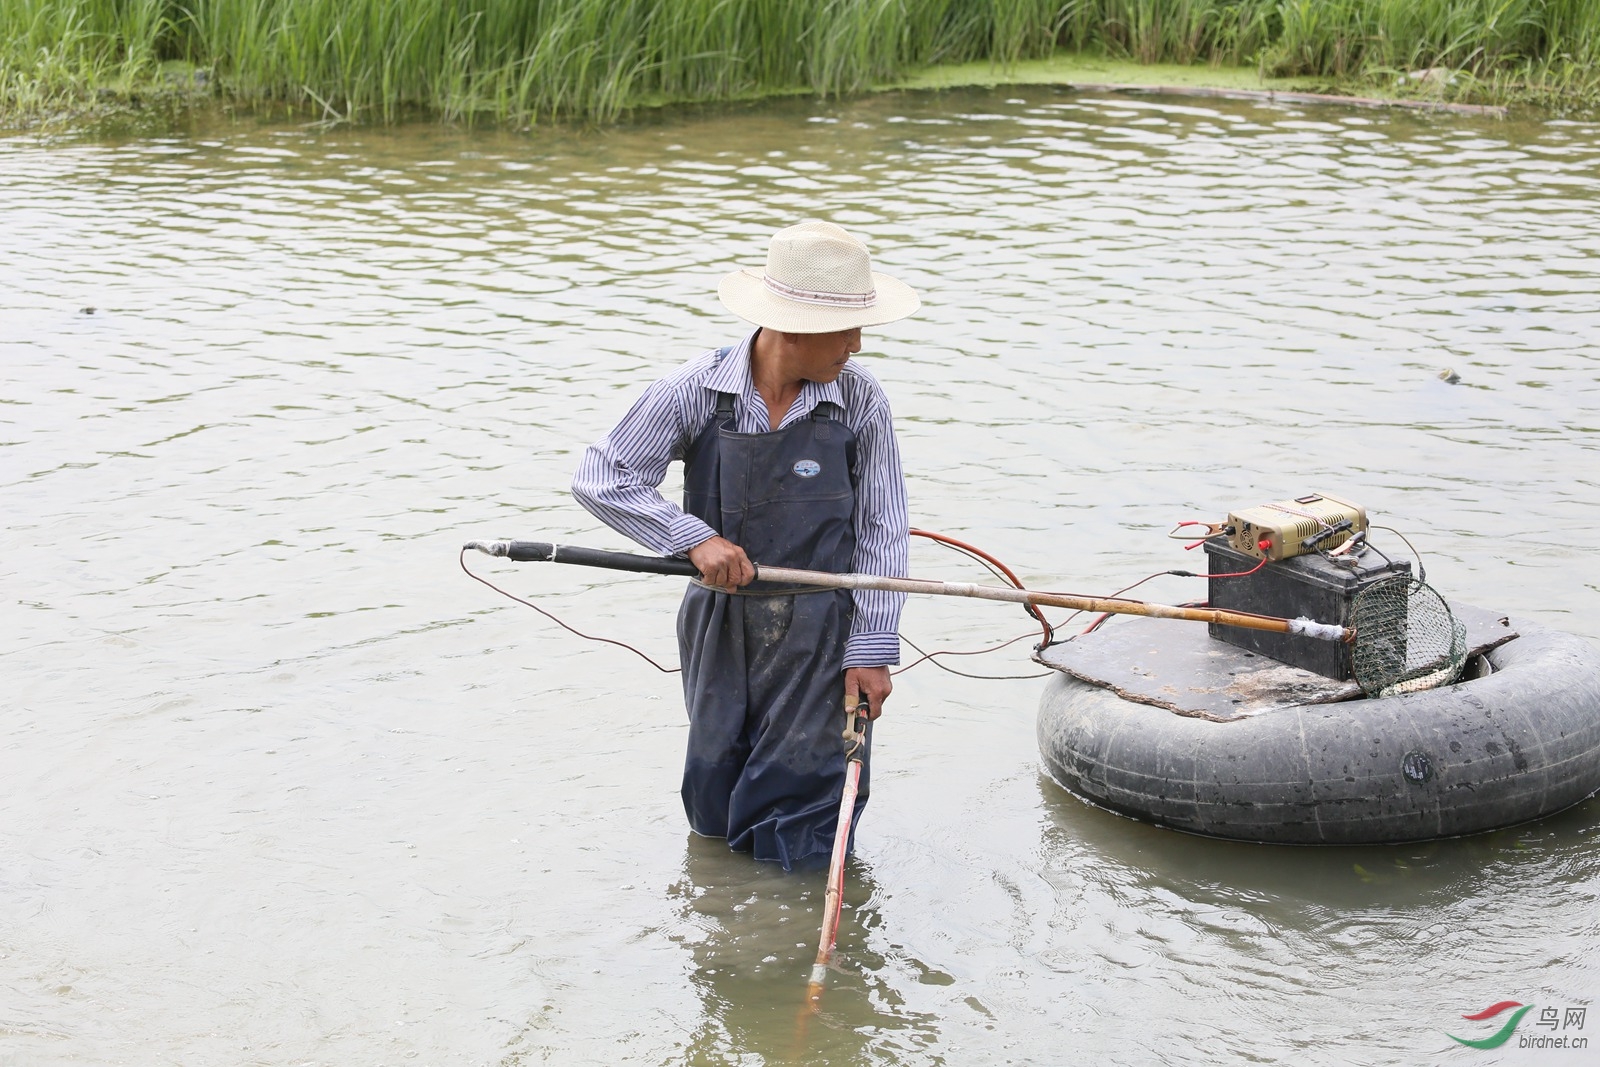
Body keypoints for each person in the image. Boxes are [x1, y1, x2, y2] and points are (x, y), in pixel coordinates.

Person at [571, 219, 919, 870]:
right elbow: (602, 477)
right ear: (793, 327)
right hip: (718, 623)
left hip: (823, 630)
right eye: (845, 329)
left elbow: (882, 529)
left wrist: (871, 649)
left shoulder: (859, 400)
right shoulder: (694, 393)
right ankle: (725, 928)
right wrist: (691, 538)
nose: (857, 342)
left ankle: (793, 931)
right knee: (715, 785)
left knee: (807, 805)